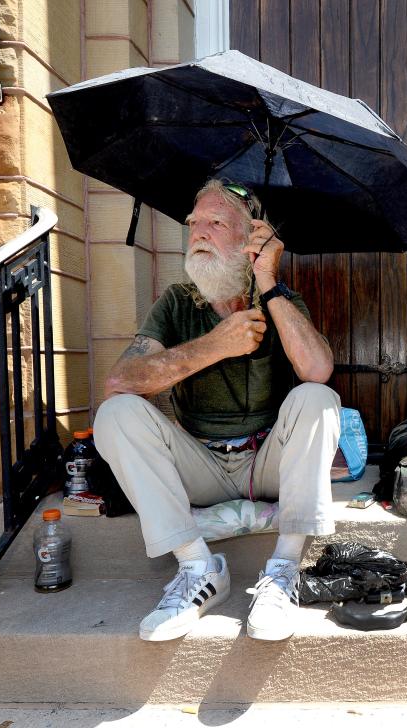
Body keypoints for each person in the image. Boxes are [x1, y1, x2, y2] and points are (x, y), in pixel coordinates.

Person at [93, 179, 340, 642]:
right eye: (194, 224)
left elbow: (318, 369)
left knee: (317, 398)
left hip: (267, 463)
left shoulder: (279, 299)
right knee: (116, 414)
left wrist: (267, 281)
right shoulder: (175, 302)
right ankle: (198, 568)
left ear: (250, 238)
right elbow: (120, 381)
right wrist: (215, 345)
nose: (198, 233)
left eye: (216, 223)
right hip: (200, 465)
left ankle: (284, 570)